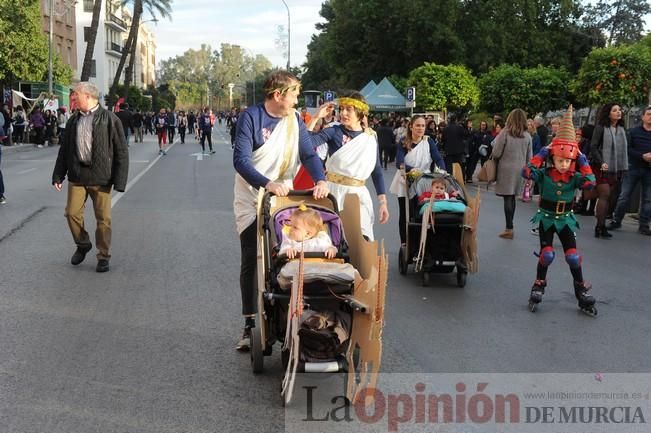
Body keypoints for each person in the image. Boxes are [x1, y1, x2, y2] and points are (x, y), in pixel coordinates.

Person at [232, 70, 329, 351]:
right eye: (295, 94)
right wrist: (267, 183)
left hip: (283, 198)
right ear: (278, 96)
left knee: (286, 253)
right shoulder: (251, 117)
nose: (297, 99)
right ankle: (250, 325)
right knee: (252, 257)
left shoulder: (294, 120)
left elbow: (308, 154)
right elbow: (241, 161)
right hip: (253, 194)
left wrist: (320, 179)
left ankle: (286, 315)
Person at [522, 105, 597, 315]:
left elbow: (591, 183)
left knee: (572, 256)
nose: (564, 164)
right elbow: (526, 171)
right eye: (560, 160)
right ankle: (538, 284)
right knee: (547, 254)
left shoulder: (574, 178)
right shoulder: (545, 174)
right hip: (546, 218)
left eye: (567, 161)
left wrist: (582, 160)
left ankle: (581, 290)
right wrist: (543, 152)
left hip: (566, 219)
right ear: (553, 158)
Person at [51, 82, 129, 273]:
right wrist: (58, 175)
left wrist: (119, 181)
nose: (73, 98)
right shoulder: (73, 120)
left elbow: (121, 151)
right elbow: (65, 150)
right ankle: (83, 243)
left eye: (76, 95)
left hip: (101, 177)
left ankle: (103, 256)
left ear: (87, 96)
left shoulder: (110, 119)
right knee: (71, 213)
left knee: (103, 219)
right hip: (77, 175)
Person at [310, 92, 390, 241]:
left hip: (359, 194)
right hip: (333, 192)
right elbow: (307, 143)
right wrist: (316, 117)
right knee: (332, 241)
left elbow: (377, 171)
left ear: (360, 113)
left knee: (361, 238)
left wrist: (383, 203)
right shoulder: (334, 131)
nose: (343, 113)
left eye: (349, 110)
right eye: (342, 109)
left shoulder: (371, 137)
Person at [389, 115, 446, 245]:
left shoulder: (428, 141)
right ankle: (405, 242)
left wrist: (443, 171)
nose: (420, 128)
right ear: (411, 127)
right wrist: (411, 169)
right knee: (405, 213)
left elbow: (438, 158)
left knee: (421, 212)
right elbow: (399, 163)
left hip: (424, 181)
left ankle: (421, 241)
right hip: (405, 180)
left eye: (423, 126)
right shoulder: (404, 141)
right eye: (418, 125)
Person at [607, 105, 651, 235]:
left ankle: (644, 225)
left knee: (648, 199)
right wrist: (642, 156)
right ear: (642, 117)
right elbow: (627, 149)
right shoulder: (633, 132)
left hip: (649, 170)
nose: (650, 117)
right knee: (624, 196)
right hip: (634, 167)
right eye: (648, 114)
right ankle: (617, 220)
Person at [586, 103, 628, 238]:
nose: (618, 112)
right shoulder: (601, 127)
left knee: (609, 196)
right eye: (615, 110)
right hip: (601, 166)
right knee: (605, 194)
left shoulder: (621, 129)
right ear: (608, 113)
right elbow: (593, 146)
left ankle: (601, 224)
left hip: (615, 167)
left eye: (619, 110)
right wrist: (601, 161)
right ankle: (599, 226)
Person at [492, 108, 532, 239]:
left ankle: (509, 228)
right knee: (512, 197)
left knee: (507, 198)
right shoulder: (527, 136)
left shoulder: (505, 133)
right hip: (520, 169)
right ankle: (510, 226)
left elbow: (496, 153)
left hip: (506, 169)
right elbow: (530, 158)